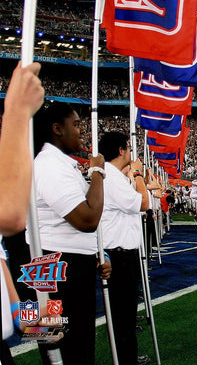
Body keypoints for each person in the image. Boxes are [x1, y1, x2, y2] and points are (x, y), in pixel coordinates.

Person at [32, 101, 111, 365]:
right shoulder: (48, 166)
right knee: (65, 351)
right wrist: (98, 171)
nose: (81, 131)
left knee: (73, 347)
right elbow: (87, 220)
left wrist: (97, 254)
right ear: (57, 129)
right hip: (56, 267)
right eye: (76, 124)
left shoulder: (58, 163)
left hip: (62, 264)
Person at [0, 62, 44, 364]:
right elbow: (10, 218)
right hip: (32, 254)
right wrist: (16, 113)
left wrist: (16, 310)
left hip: (31, 260)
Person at [98, 131, 150, 365]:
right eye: (128, 147)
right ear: (120, 150)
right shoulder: (111, 177)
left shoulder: (114, 176)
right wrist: (137, 172)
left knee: (126, 314)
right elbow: (144, 203)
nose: (130, 152)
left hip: (123, 253)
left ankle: (127, 356)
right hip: (119, 256)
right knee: (123, 315)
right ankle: (126, 359)